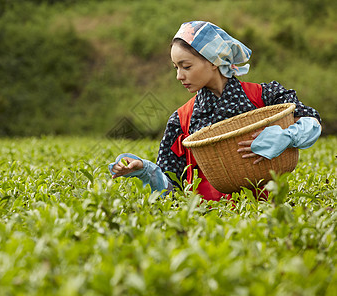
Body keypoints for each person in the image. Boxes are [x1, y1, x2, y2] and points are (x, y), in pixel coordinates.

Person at [108, 21, 322, 201]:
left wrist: (286, 136)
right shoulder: (181, 120)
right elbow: (171, 188)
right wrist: (145, 170)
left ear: (214, 61)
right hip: (209, 226)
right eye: (176, 67)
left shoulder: (264, 96)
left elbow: (312, 122)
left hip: (264, 216)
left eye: (186, 66)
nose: (179, 76)